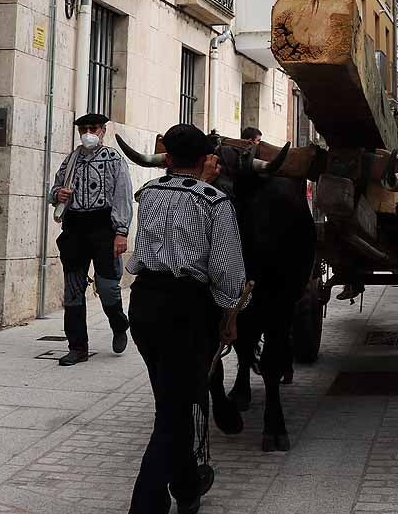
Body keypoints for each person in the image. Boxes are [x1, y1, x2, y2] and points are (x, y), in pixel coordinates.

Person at [126, 124, 247, 514]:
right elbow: (229, 271)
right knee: (175, 413)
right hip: (187, 309)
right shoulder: (215, 201)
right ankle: (146, 504)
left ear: (168, 157)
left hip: (143, 304)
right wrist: (230, 316)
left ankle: (186, 486)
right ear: (206, 158)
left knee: (171, 402)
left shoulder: (149, 193)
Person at [49, 113, 133, 366]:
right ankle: (77, 347)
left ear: (102, 130)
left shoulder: (114, 159)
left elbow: (123, 195)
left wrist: (121, 231)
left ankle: (118, 323)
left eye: (93, 128)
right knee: (73, 289)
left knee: (108, 287)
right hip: (74, 229)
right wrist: (58, 194)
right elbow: (53, 190)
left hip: (104, 228)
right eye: (83, 128)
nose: (88, 132)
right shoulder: (71, 160)